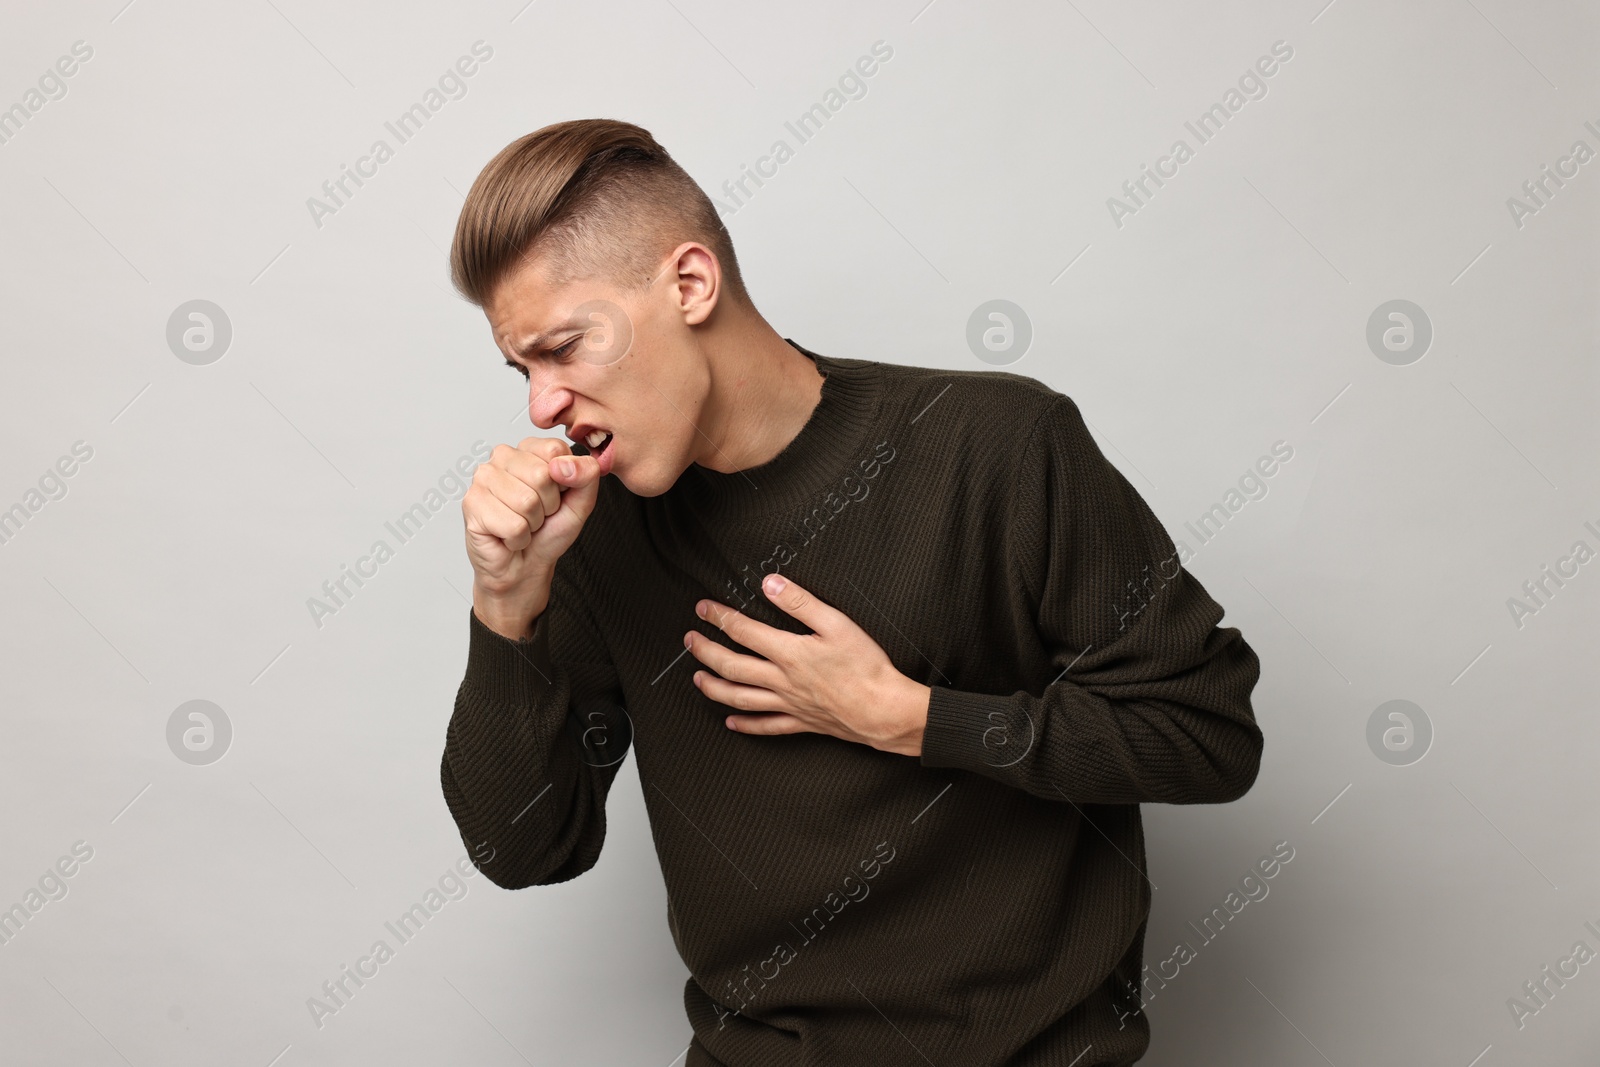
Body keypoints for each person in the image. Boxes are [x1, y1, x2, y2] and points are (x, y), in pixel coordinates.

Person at [439, 118, 1264, 1067]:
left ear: (690, 284)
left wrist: (907, 716)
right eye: (522, 367)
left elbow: (1207, 732)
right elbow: (524, 849)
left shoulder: (995, 447)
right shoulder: (594, 531)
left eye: (564, 347)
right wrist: (505, 603)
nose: (541, 404)